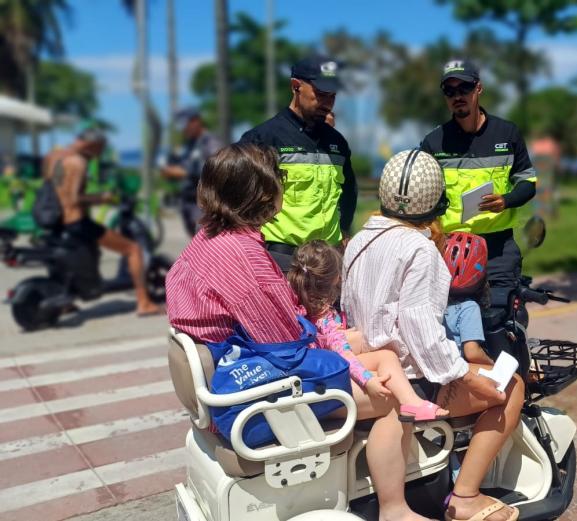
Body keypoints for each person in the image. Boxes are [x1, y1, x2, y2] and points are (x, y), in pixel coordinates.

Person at [166, 143, 432, 521]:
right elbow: (289, 352)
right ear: (262, 194)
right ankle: (395, 509)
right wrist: (330, 340)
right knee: (391, 397)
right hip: (258, 392)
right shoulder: (245, 260)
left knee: (373, 347)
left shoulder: (204, 242)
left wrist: (336, 340)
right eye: (278, 181)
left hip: (228, 375)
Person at [342, 149, 524, 521]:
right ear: (436, 203)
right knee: (514, 386)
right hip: (414, 380)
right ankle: (466, 496)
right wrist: (464, 374)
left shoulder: (359, 241)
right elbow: (420, 328)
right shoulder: (420, 249)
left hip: (369, 370)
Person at [288, 240, 451, 422]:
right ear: (336, 278)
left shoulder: (296, 303)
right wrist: (368, 380)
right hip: (323, 372)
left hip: (313, 365)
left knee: (386, 355)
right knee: (386, 360)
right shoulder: (324, 317)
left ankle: (411, 402)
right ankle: (411, 402)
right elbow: (343, 354)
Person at [420, 59, 537, 290]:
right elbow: (422, 194)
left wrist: (506, 201)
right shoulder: (433, 142)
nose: (457, 96)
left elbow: (527, 183)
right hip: (451, 247)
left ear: (479, 88)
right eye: (449, 91)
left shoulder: (507, 133)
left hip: (499, 248)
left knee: (499, 318)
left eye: (464, 88)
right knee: (452, 321)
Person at [239, 55, 357, 269]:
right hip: (281, 262)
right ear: (296, 86)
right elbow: (238, 201)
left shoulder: (337, 143)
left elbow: (349, 193)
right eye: (321, 94)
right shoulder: (262, 139)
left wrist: (345, 231)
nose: (328, 103)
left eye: (333, 96)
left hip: (328, 262)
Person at [43, 128, 162, 316]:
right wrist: (103, 198)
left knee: (84, 257)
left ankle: (66, 301)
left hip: (58, 221)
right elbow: (74, 198)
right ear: (93, 144)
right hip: (76, 221)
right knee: (132, 249)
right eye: (101, 148)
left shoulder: (54, 156)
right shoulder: (79, 162)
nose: (100, 153)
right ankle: (144, 302)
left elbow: (54, 187)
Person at [161, 107, 222, 237]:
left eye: (185, 125)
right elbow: (183, 165)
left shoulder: (211, 142)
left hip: (205, 204)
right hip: (188, 201)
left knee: (206, 242)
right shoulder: (190, 144)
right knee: (195, 242)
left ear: (196, 121)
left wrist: (184, 173)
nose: (183, 129)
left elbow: (216, 169)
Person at [443, 232, 493, 365]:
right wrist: (492, 364)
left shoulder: (434, 301)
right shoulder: (469, 307)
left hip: (431, 369)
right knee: (515, 381)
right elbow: (472, 353)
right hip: (455, 371)